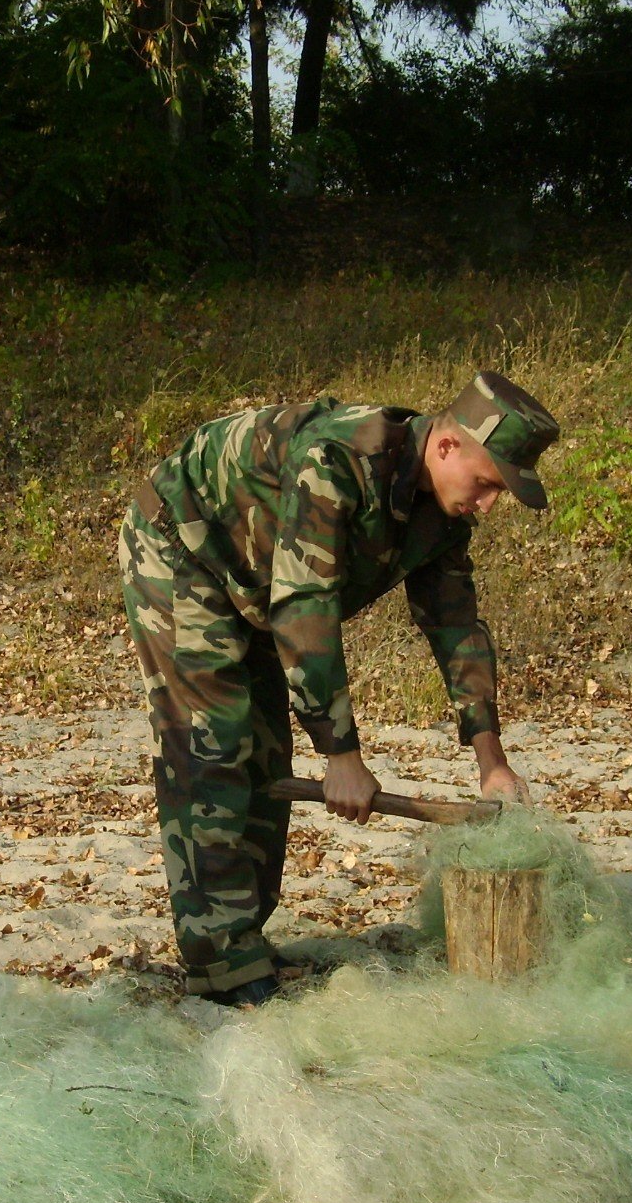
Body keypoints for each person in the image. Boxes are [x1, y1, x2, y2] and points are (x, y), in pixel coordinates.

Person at [119, 371, 556, 1006]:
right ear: (447, 447)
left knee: (265, 752)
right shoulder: (340, 461)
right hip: (181, 546)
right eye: (488, 483)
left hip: (256, 581)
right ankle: (221, 963)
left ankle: (244, 934)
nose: (489, 504)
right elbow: (305, 608)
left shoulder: (442, 514)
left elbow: (456, 624)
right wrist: (343, 757)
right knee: (213, 742)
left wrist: (491, 759)